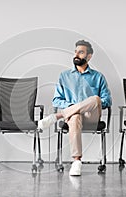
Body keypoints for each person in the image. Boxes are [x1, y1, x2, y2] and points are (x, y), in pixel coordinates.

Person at [38, 40, 112, 176]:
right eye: (76, 51)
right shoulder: (64, 76)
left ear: (89, 56)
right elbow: (56, 100)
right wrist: (73, 108)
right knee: (75, 115)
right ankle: (77, 161)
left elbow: (107, 101)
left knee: (95, 99)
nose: (76, 54)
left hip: (92, 117)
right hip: (73, 118)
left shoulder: (98, 77)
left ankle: (57, 116)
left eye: (81, 52)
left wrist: (89, 104)